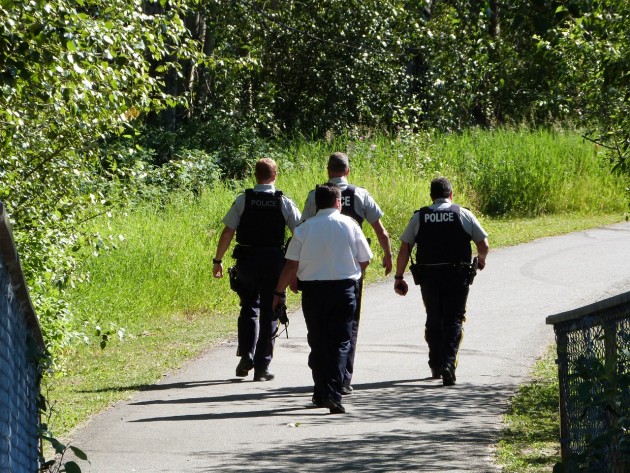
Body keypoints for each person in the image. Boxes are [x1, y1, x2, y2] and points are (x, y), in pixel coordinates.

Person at [273, 183, 372, 413]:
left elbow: (291, 265)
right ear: (338, 202)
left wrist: (279, 292)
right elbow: (365, 259)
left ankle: (320, 391)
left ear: (316, 204)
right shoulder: (351, 225)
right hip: (344, 290)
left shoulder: (304, 228)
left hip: (314, 293)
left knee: (318, 341)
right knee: (340, 342)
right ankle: (333, 393)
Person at [301, 152, 392, 395]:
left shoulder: (315, 195)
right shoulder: (360, 194)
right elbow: (380, 230)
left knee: (320, 327)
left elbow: (302, 228)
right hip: (352, 267)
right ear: (348, 171)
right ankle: (343, 377)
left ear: (328, 170)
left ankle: (325, 376)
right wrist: (387, 255)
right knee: (348, 325)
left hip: (318, 268)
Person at [393, 177, 489, 386]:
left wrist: (399, 277)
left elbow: (404, 249)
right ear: (451, 195)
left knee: (434, 317)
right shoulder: (463, 213)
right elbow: (483, 244)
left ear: (431, 196)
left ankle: (436, 364)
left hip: (429, 277)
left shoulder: (420, 217)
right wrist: (480, 260)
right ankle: (448, 363)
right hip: (457, 276)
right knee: (454, 319)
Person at [213, 158, 301, 381]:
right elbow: (300, 232)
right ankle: (262, 367)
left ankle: (246, 356)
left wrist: (218, 260)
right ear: (275, 175)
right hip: (273, 260)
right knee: (270, 310)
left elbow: (227, 232)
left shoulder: (244, 200)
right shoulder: (283, 202)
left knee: (248, 307)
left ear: (255, 175)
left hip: (247, 260)